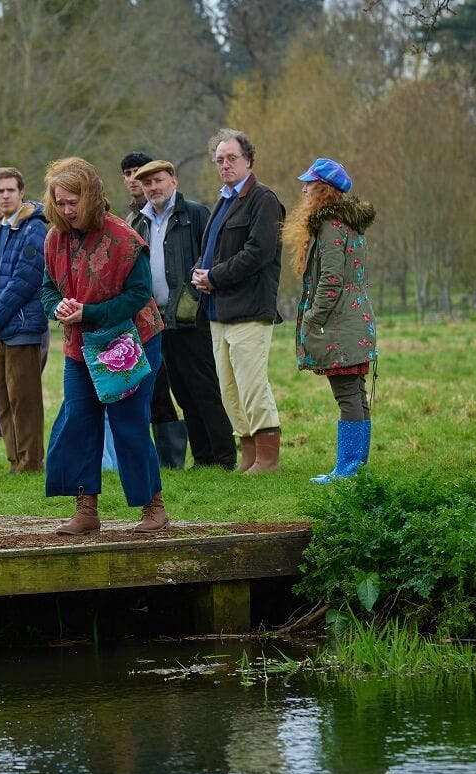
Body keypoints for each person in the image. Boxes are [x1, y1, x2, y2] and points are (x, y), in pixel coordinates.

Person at [41, 157, 167, 534]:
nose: (66, 210)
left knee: (129, 424)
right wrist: (58, 307)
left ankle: (153, 508)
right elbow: (48, 288)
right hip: (80, 349)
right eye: (60, 202)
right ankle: (86, 509)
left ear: (91, 197)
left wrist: (91, 313)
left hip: (130, 342)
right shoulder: (54, 238)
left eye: (73, 202)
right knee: (78, 422)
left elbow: (141, 294)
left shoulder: (124, 238)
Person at [191, 128, 286, 473]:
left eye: (232, 158)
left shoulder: (264, 199)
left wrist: (213, 277)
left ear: (248, 159)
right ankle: (249, 455)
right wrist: (199, 272)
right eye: (220, 160)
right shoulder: (224, 200)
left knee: (251, 384)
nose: (225, 165)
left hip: (249, 310)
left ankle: (268, 458)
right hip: (218, 312)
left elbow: (258, 253)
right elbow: (212, 252)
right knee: (229, 390)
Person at [131, 159, 237, 470]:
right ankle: (203, 458)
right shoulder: (140, 222)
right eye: (148, 183)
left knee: (204, 388)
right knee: (182, 392)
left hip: (192, 317)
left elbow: (212, 254)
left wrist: (196, 291)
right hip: (158, 321)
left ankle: (225, 456)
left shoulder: (194, 213)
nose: (153, 188)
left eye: (159, 180)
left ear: (173, 181)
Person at [285, 158, 377, 483]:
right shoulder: (349, 223)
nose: (304, 188)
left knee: (348, 396)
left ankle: (349, 471)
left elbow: (331, 280)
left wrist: (313, 317)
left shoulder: (330, 226)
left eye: (309, 184)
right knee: (355, 394)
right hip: (355, 322)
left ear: (324, 189)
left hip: (340, 326)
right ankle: (356, 470)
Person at [0, 167, 48, 474]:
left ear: (20, 192)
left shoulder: (34, 228)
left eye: (9, 190)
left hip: (21, 327)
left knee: (24, 400)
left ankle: (31, 462)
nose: (4, 195)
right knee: (1, 398)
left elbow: (25, 278)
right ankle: (14, 460)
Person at [120, 151, 152, 228]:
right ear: (124, 179)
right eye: (128, 174)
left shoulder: (160, 212)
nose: (132, 179)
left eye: (138, 172)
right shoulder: (129, 220)